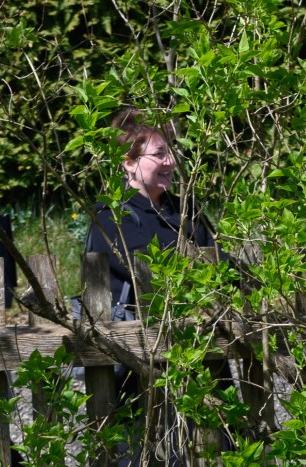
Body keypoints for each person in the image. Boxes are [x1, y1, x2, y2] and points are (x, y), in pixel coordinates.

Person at [85, 110, 215, 315]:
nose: (171, 161)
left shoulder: (187, 208)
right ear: (129, 162)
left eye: (171, 151)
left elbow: (220, 259)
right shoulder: (111, 215)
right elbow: (150, 270)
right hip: (135, 334)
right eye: (158, 154)